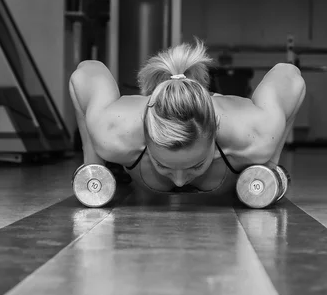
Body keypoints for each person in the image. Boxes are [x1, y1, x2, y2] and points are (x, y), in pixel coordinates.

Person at [69, 39, 306, 196]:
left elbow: (289, 75)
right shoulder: (113, 133)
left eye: (195, 165)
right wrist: (94, 164)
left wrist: (268, 166)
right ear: (146, 141)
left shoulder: (255, 136)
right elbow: (87, 71)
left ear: (214, 142)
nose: (180, 181)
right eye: (163, 165)